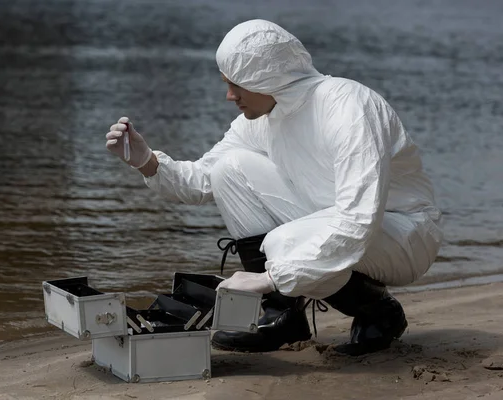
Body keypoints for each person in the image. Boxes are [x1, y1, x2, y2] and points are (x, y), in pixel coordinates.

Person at [105, 19, 443, 356]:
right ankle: (283, 316)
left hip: (404, 234)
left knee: (284, 241)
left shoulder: (349, 108)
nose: (229, 96)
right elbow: (205, 179)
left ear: (266, 79)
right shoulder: (264, 117)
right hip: (331, 219)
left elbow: (358, 221)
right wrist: (146, 160)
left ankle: (377, 312)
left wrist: (268, 280)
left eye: (236, 85)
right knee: (229, 169)